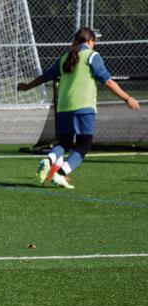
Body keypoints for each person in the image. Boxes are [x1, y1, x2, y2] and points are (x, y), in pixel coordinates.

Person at [17, 27, 140, 189]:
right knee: (84, 145)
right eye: (94, 42)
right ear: (90, 42)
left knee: (65, 143)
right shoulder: (92, 56)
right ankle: (59, 174)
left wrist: (26, 87)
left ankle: (48, 160)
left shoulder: (64, 58)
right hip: (83, 107)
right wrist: (127, 98)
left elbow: (45, 76)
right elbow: (108, 82)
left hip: (64, 108)